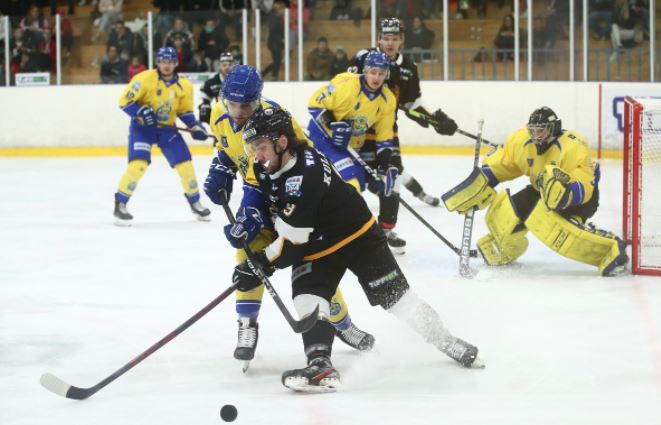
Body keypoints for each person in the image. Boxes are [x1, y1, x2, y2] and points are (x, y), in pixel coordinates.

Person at [231, 106, 483, 392]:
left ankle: (446, 340)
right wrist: (248, 216)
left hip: (357, 237)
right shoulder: (266, 166)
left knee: (397, 300)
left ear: (282, 142)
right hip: (316, 244)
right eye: (253, 148)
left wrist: (258, 264)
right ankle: (320, 366)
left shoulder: (306, 174)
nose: (256, 155)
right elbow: (267, 201)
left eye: (261, 147)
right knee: (307, 297)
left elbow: (291, 242)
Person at [202, 65, 376, 371]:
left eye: (246, 106)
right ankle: (247, 323)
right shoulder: (219, 114)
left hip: (291, 205)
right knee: (247, 253)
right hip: (257, 196)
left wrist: (254, 210)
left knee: (312, 268)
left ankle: (342, 323)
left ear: (258, 99)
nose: (238, 112)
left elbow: (301, 173)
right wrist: (222, 166)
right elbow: (226, 147)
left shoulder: (277, 122)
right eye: (232, 104)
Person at [442, 107, 629, 277]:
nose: (535, 136)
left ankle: (612, 248)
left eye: (541, 131)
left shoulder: (572, 146)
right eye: (532, 131)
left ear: (554, 129)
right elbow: (502, 164)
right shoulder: (522, 142)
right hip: (540, 191)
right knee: (506, 212)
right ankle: (504, 249)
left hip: (578, 199)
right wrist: (482, 182)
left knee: (562, 231)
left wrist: (566, 196)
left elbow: (585, 185)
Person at [348, 18, 458, 253]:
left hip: (387, 131)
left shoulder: (408, 67)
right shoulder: (363, 57)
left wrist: (435, 120)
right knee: (351, 181)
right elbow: (345, 89)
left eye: (395, 38)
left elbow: (411, 104)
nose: (390, 43)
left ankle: (385, 231)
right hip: (357, 130)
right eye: (386, 38)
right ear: (379, 38)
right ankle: (350, 230)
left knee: (392, 177)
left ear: (402, 40)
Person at [113, 46, 211, 226]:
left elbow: (185, 111)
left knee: (186, 166)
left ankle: (195, 202)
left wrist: (195, 126)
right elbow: (124, 102)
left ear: (176, 63)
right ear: (157, 62)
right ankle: (120, 204)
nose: (167, 65)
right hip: (142, 129)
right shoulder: (144, 78)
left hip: (168, 130)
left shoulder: (184, 85)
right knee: (138, 165)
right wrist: (141, 112)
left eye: (170, 62)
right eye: (163, 61)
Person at [198, 52, 234, 124]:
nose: (227, 67)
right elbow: (205, 99)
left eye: (230, 65)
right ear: (220, 66)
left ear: (234, 65)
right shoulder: (212, 82)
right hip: (221, 120)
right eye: (224, 65)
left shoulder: (242, 81)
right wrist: (205, 108)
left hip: (239, 119)